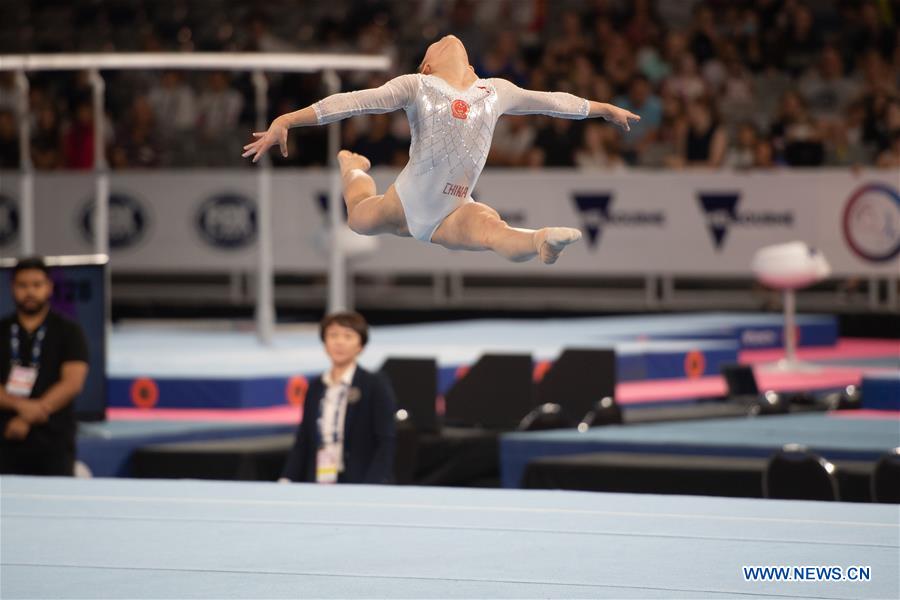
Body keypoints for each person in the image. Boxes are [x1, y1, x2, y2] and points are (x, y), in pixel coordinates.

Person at [243, 35, 640, 264]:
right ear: (426, 67)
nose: (445, 40)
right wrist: (286, 120)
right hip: (407, 200)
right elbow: (353, 101)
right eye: (432, 46)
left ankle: (541, 241)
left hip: (455, 207)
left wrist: (602, 109)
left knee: (492, 231)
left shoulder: (496, 90)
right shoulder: (416, 86)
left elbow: (553, 101)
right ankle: (351, 167)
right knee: (358, 219)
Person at [280, 311, 396, 484]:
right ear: (324, 343)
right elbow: (304, 439)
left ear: (360, 346)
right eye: (333, 335)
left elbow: (386, 441)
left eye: (348, 336)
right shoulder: (316, 386)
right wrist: (287, 478)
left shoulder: (374, 384)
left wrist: (373, 485)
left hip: (361, 481)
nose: (339, 342)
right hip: (320, 479)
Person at [0, 257, 89, 476]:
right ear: (12, 287)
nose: (30, 292)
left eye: (36, 285)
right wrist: (20, 407)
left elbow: (73, 383)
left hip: (53, 438)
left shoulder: (69, 331)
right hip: (6, 434)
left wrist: (34, 412)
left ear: (49, 287)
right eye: (23, 285)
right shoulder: (1, 330)